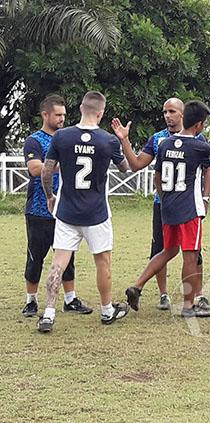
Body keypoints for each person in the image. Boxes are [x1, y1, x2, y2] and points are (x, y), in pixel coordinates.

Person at [125, 101, 210, 317]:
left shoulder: (164, 143)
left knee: (168, 250)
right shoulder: (199, 146)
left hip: (168, 206)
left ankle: (137, 286)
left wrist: (165, 199)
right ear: (199, 124)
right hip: (189, 208)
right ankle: (188, 306)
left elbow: (157, 177)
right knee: (190, 256)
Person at [36, 91, 131, 333]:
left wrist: (50, 197)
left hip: (67, 210)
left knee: (58, 263)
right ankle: (107, 310)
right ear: (101, 112)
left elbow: (46, 172)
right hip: (97, 212)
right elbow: (125, 169)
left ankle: (48, 313)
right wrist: (122, 139)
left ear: (80, 107)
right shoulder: (108, 140)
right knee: (103, 262)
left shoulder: (62, 137)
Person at [22, 95, 91, 318]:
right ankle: (30, 300)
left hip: (65, 209)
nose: (62, 118)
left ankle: (70, 299)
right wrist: (64, 166)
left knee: (67, 257)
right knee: (36, 257)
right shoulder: (34, 141)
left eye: (64, 114)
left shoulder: (67, 139)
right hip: (39, 210)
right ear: (45, 115)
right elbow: (35, 168)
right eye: (58, 115)